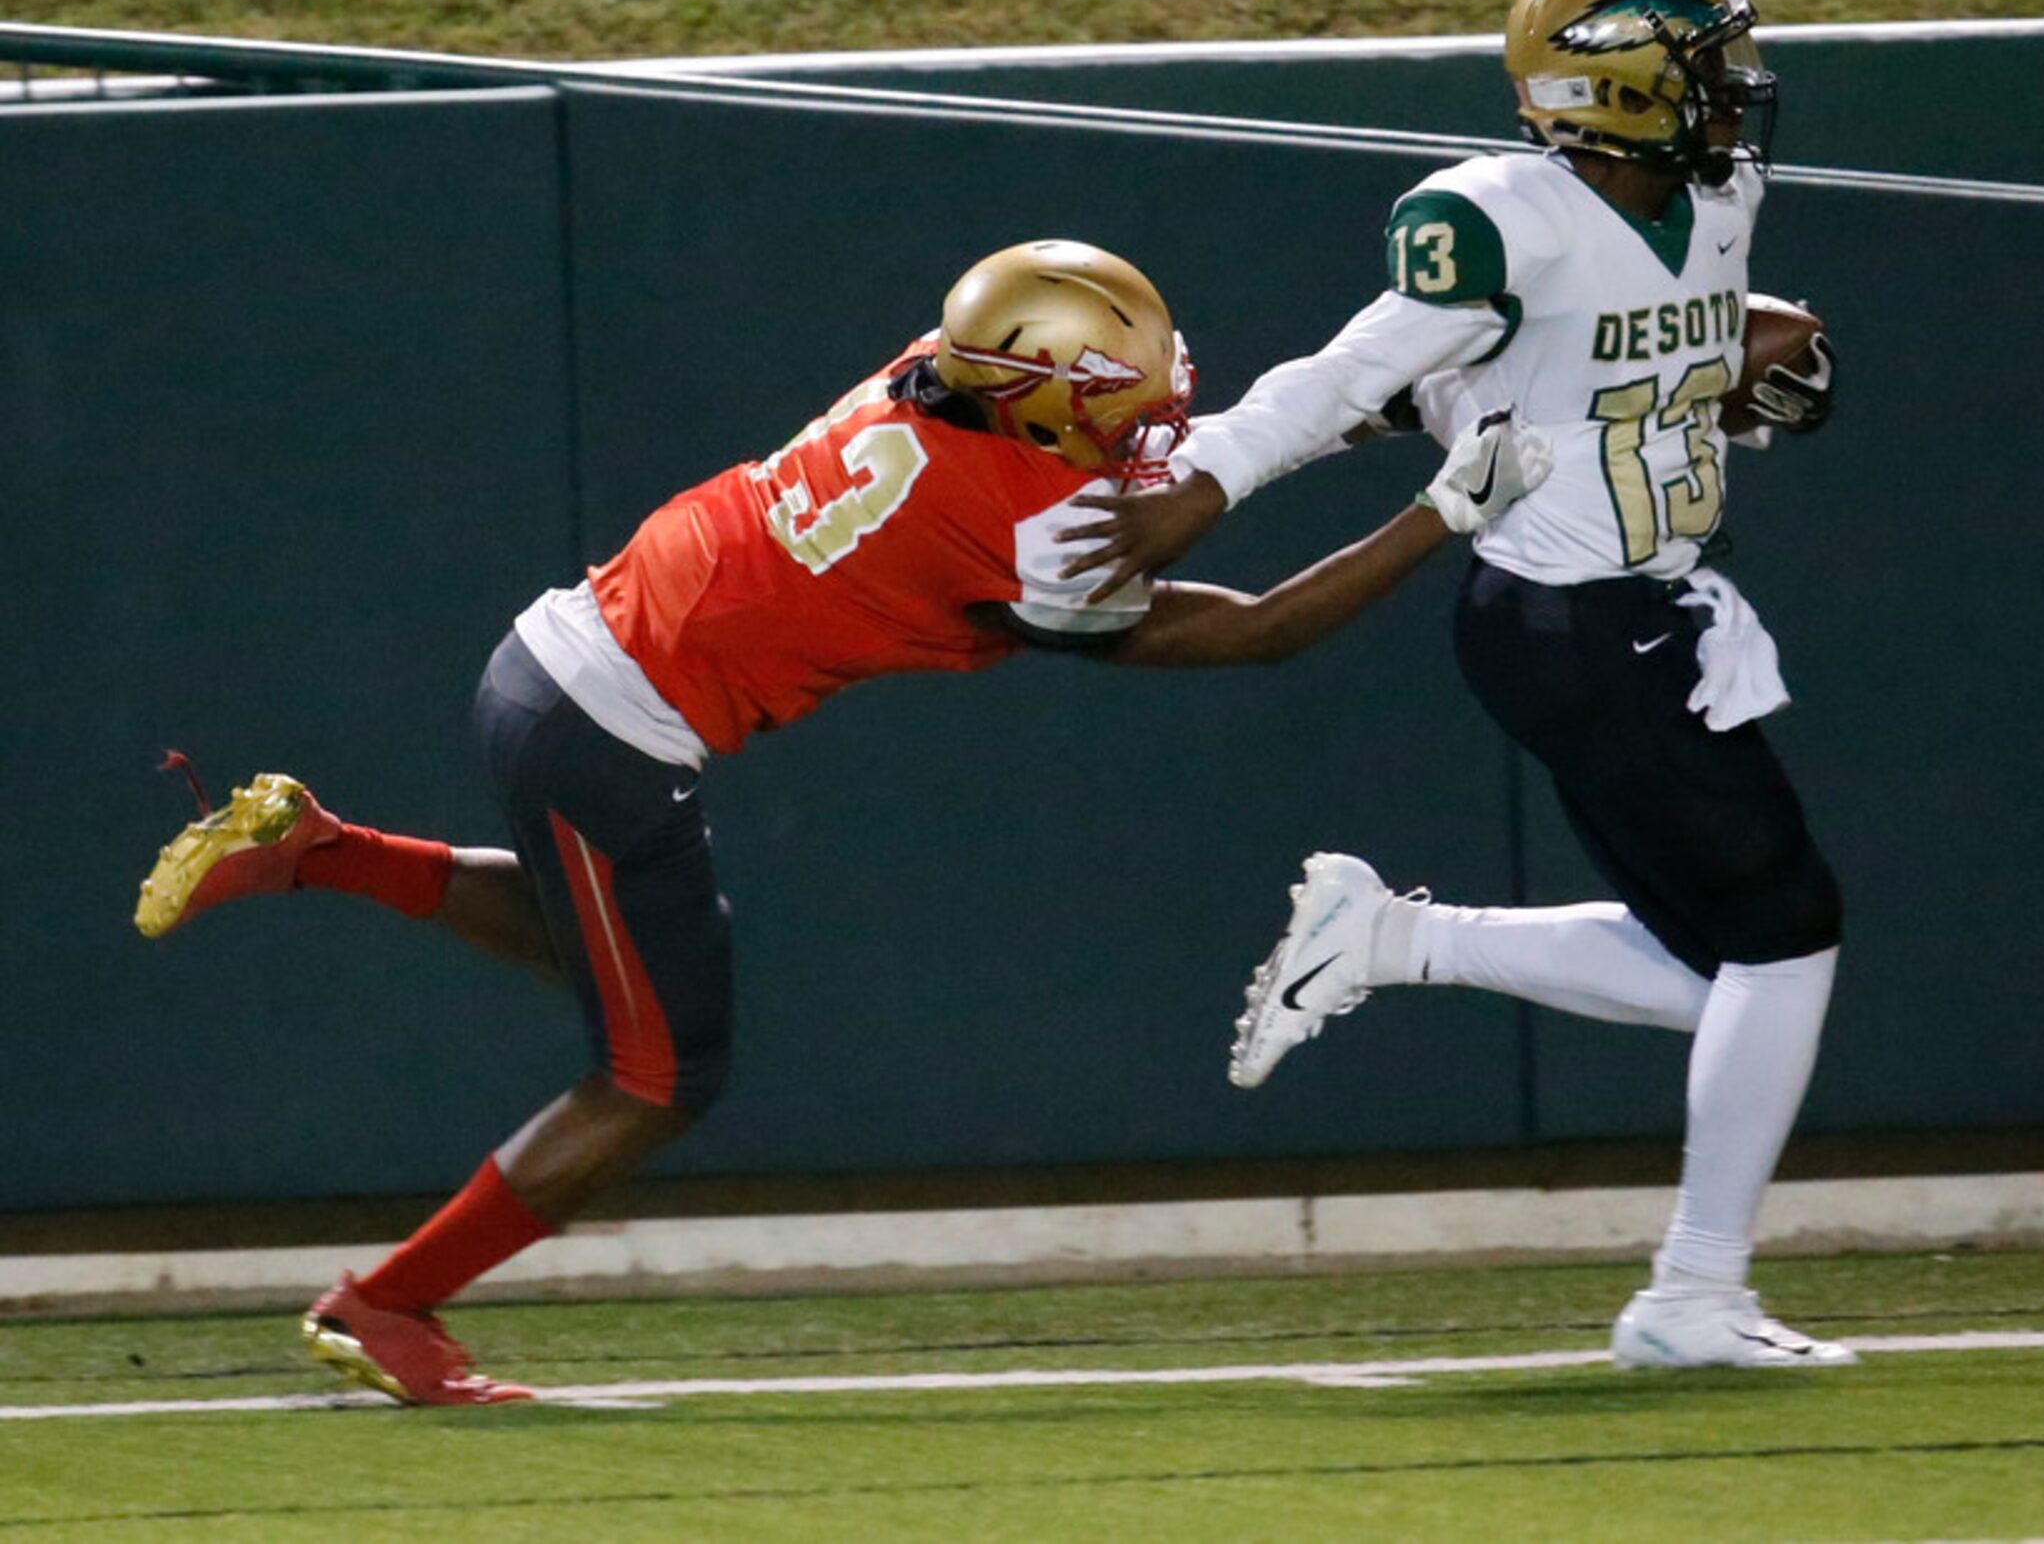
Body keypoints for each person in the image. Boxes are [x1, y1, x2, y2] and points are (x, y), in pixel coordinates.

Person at [133, 238, 1548, 1407]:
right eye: (1120, 398)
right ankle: (386, 1304)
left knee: (636, 976)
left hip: (570, 670)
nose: (1159, 411)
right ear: (1044, 393)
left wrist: (1377, 410)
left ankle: (318, 848)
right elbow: (1252, 632)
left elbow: (1155, 481)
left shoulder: (934, 379)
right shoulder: (1023, 537)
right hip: (603, 733)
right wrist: (1439, 509)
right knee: (659, 1074)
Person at [1059, 0, 1850, 1370]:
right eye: (1702, 68)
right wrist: (1202, 487)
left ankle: (1395, 938)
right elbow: (1350, 375)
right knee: (1781, 943)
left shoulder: (1713, 194)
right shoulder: (1498, 217)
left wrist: (1735, 367)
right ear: (1611, 90)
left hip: (1638, 610)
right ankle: (1689, 1295)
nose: (1735, 90)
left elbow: (1608, 347)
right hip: (1574, 623)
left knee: (1727, 969)